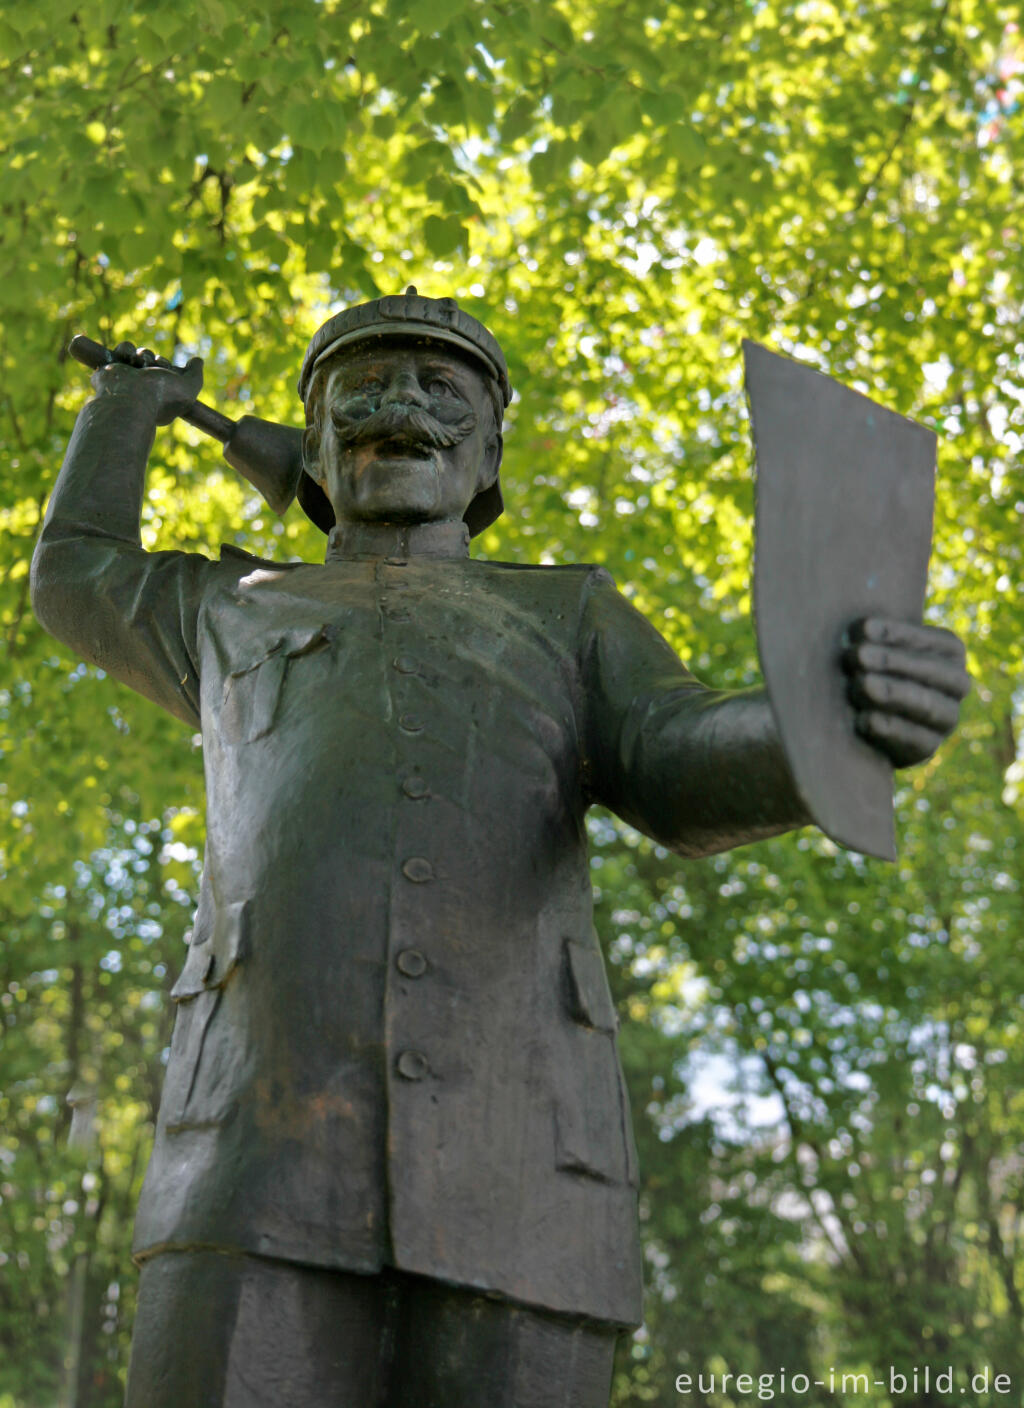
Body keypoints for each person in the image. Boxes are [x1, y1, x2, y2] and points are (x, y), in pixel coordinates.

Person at [30, 290, 970, 1408]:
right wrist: (130, 407)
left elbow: (671, 756)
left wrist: (823, 723)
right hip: (248, 1155)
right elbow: (75, 570)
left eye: (440, 391)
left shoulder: (569, 618)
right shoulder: (227, 606)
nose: (400, 407)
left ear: (490, 460)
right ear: (318, 446)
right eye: (362, 390)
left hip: (526, 1161)